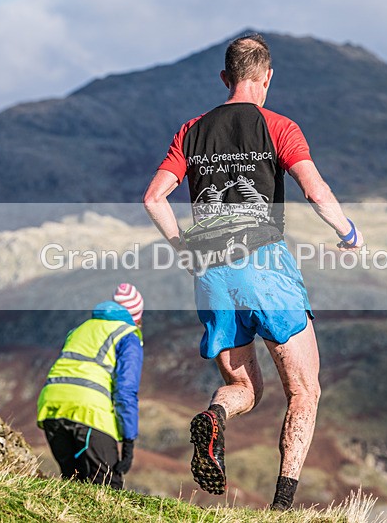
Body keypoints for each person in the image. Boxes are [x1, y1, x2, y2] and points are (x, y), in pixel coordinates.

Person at [143, 34, 363, 510]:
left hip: (211, 275)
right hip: (265, 265)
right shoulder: (279, 126)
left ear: (225, 79)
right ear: (267, 78)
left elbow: (153, 198)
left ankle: (215, 417)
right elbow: (316, 191)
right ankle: (282, 507)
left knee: (245, 387)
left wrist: (184, 250)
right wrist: (348, 232)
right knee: (305, 390)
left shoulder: (191, 130)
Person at [36, 283, 144, 489]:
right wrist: (129, 441)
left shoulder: (79, 329)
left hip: (50, 407)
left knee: (73, 485)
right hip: (87, 410)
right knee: (108, 487)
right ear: (137, 317)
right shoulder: (128, 336)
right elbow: (125, 390)